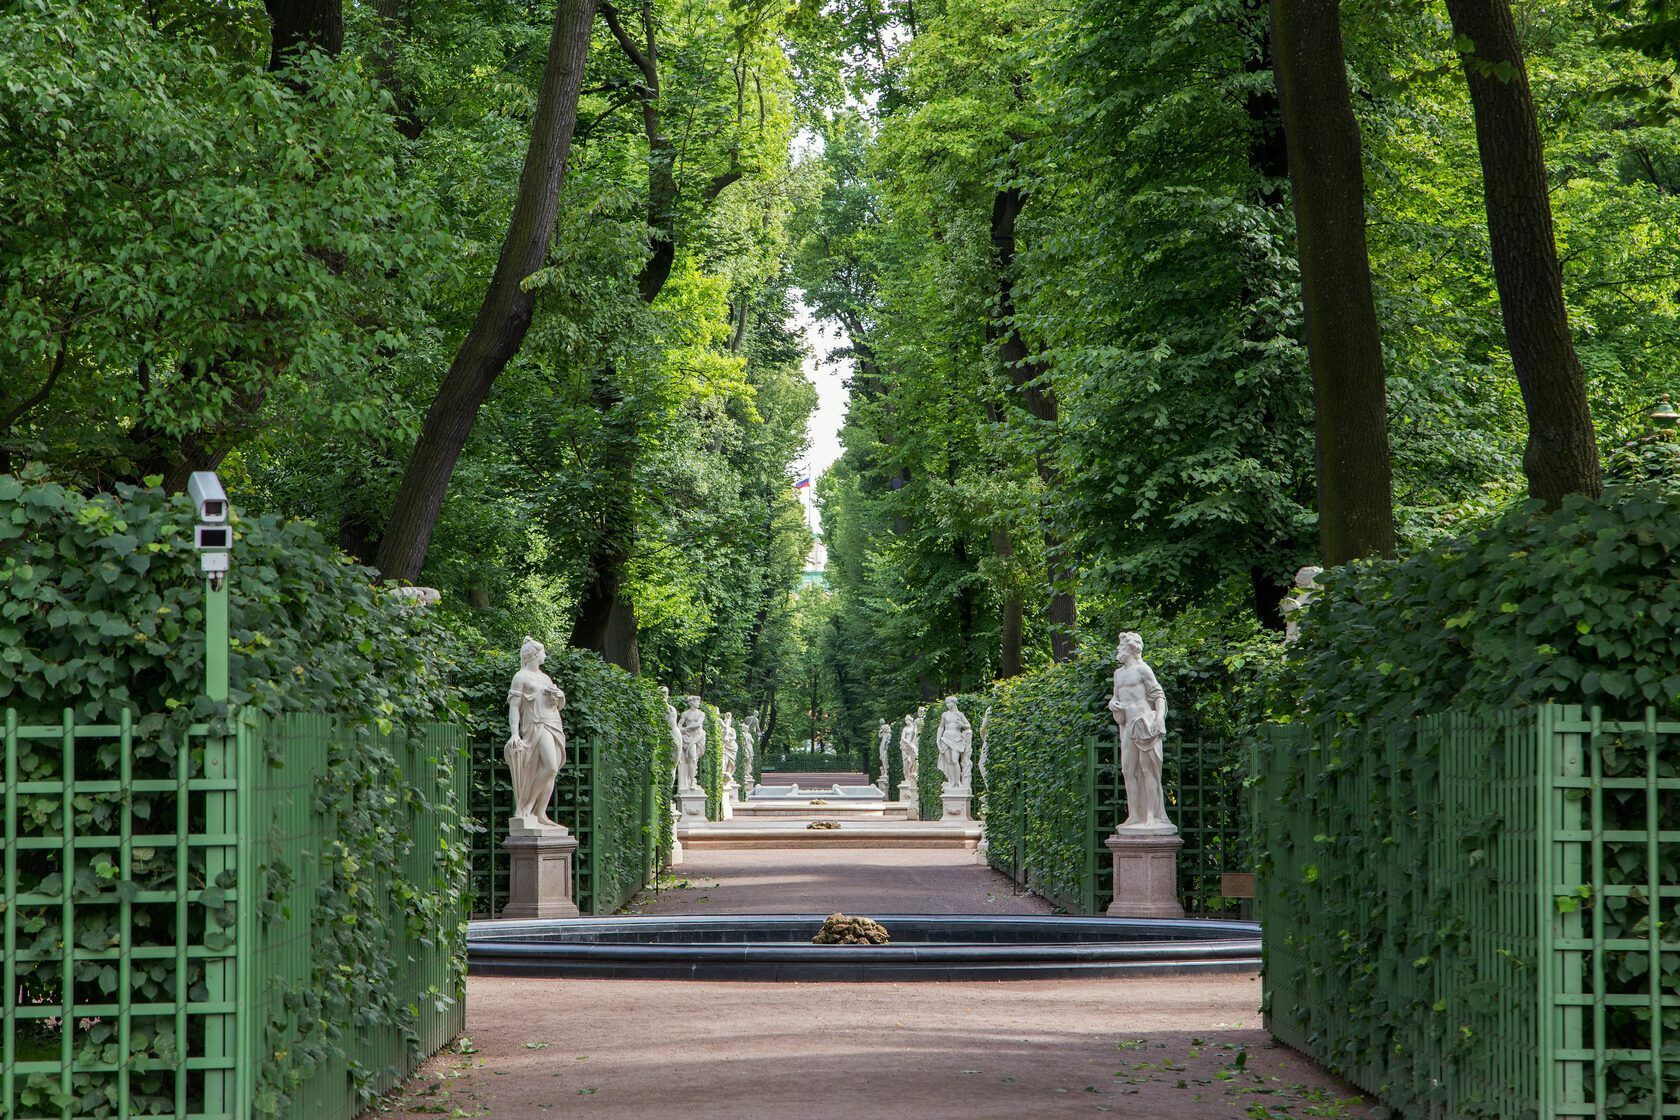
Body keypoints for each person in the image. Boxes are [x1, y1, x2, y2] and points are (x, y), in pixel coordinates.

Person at [1108, 632, 1172, 831]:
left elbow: (1158, 695)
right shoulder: (1118, 674)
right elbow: (1114, 697)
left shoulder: (1143, 670)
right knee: (1128, 770)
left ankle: (1151, 816)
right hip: (1126, 726)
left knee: (1147, 769)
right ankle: (1134, 815)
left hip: (1144, 724)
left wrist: (1159, 719)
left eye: (1121, 645)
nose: (1119, 648)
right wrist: (1113, 704)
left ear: (1131, 648)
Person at [505, 637, 566, 828]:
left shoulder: (545, 677)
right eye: (543, 652)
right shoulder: (520, 677)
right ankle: (526, 807)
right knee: (550, 767)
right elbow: (514, 707)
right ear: (534, 655)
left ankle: (540, 813)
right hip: (537, 725)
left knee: (550, 772)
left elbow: (556, 704)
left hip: (554, 723)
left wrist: (558, 696)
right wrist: (514, 733)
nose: (545, 655)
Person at [935, 697, 971, 788]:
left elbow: (968, 725)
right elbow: (941, 727)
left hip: (956, 739)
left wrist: (962, 725)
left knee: (955, 760)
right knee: (948, 761)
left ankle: (958, 781)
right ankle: (952, 782)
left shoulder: (960, 714)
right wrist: (938, 739)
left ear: (954, 703)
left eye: (948, 703)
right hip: (946, 738)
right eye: (946, 703)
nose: (947, 705)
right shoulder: (945, 714)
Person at [676, 696, 707, 792]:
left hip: (699, 737)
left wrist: (686, 728)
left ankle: (692, 779)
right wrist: (682, 730)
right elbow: (679, 725)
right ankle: (692, 782)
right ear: (692, 703)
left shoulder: (701, 713)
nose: (699, 704)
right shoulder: (685, 713)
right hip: (689, 738)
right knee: (692, 759)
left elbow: (698, 724)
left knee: (694, 760)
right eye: (697, 702)